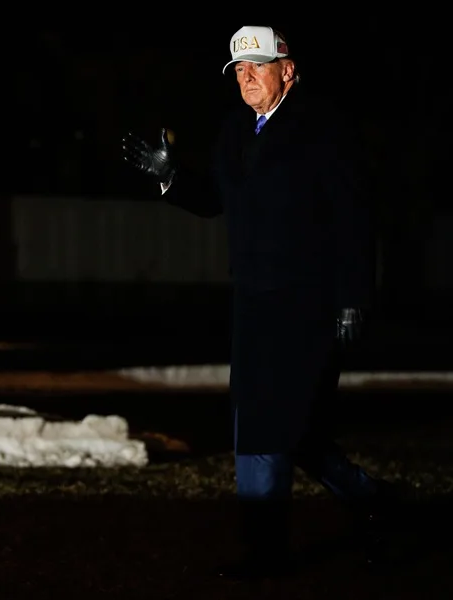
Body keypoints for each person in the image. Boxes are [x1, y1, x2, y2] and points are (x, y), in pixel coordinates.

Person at [121, 25, 399, 579]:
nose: (246, 77)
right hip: (253, 303)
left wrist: (353, 299)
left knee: (280, 425)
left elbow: (354, 217)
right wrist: (172, 177)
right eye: (239, 70)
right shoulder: (235, 130)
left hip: (310, 303)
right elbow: (216, 200)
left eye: (258, 66)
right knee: (268, 425)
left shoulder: (324, 129)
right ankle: (353, 510)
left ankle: (287, 543)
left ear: (287, 70)